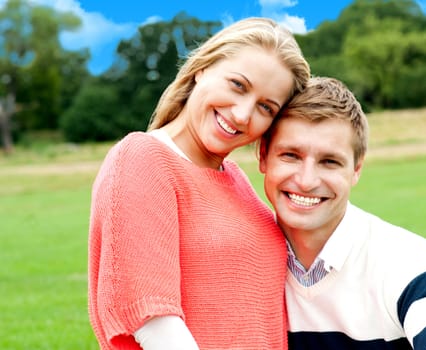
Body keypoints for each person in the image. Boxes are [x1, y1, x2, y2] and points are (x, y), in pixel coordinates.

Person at [88, 17, 310, 350]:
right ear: (202, 69)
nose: (242, 115)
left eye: (266, 107)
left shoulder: (235, 179)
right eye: (238, 85)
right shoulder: (143, 157)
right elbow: (153, 322)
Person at [258, 77, 426, 349]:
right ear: (263, 157)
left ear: (356, 170)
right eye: (290, 155)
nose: (306, 181)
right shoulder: (242, 262)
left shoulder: (407, 260)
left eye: (329, 161)